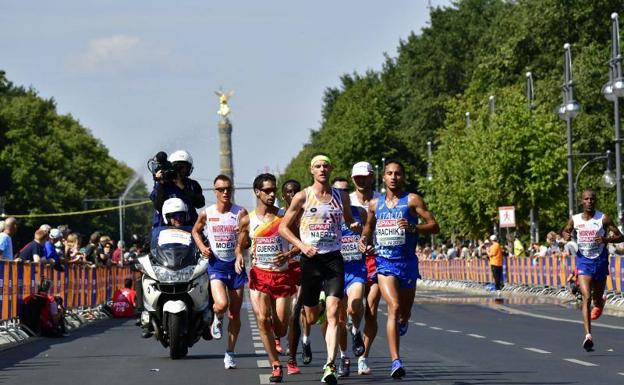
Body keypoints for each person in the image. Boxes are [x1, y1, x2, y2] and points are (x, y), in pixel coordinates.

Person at [279, 154, 361, 385]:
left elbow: (347, 220)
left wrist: (354, 226)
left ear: (331, 168)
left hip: (334, 259)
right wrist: (302, 246)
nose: (322, 169)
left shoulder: (341, 196)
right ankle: (319, 308)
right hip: (310, 261)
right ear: (311, 170)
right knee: (313, 316)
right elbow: (284, 228)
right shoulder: (303, 196)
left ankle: (330, 365)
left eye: (326, 165)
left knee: (335, 313)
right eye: (318, 166)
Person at [359, 160, 439, 379]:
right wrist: (364, 240)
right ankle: (396, 360)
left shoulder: (412, 200)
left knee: (404, 312)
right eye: (389, 173)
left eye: (397, 174)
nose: (393, 177)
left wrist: (414, 227)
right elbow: (368, 226)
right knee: (393, 307)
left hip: (408, 263)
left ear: (403, 177)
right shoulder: (375, 204)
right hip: (384, 263)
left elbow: (434, 225)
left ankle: (405, 319)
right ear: (383, 178)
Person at [239, 173, 299, 383]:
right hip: (259, 275)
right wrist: (239, 254)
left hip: (282, 276)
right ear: (257, 192)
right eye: (267, 190)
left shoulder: (285, 216)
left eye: (274, 190)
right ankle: (275, 364)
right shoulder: (248, 219)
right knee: (263, 320)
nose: (272, 194)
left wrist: (289, 254)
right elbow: (241, 242)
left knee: (281, 326)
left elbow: (298, 241)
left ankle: (277, 337)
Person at [192, 174, 247, 370]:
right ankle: (217, 316)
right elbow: (195, 231)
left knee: (235, 314)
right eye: (221, 189)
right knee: (221, 304)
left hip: (236, 266)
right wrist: (201, 247)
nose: (225, 192)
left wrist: (241, 249)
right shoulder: (207, 213)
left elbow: (245, 236)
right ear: (215, 192)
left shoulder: (240, 212)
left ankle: (230, 352)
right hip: (216, 264)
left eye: (228, 189)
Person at [561, 189, 624, 351]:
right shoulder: (575, 219)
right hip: (583, 262)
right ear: (582, 201)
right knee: (586, 297)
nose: (589, 201)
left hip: (600, 261)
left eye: (592, 199)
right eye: (586, 199)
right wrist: (566, 235)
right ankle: (588, 335)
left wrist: (605, 239)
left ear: (595, 201)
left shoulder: (603, 218)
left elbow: (620, 236)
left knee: (596, 299)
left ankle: (600, 300)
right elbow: (565, 231)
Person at [349, 161, 381, 375]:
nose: (361, 180)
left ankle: (363, 357)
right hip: (352, 260)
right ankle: (353, 329)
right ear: (353, 179)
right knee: (353, 309)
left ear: (372, 177)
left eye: (365, 176)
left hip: (378, 259)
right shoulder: (346, 201)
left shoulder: (382, 200)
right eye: (357, 177)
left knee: (371, 311)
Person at [332, 178, 366, 377]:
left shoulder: (359, 212)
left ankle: (356, 329)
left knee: (354, 306)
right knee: (340, 320)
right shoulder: (327, 215)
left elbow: (369, 234)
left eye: (345, 191)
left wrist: (364, 239)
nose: (342, 194)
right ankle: (344, 356)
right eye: (338, 191)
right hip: (336, 272)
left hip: (356, 270)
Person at [150, 150, 205, 228]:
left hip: (189, 228)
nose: (180, 170)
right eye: (177, 166)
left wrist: (181, 185)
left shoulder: (192, 185)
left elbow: (200, 203)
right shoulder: (162, 185)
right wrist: (161, 183)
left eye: (183, 167)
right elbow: (158, 206)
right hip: (164, 230)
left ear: (188, 168)